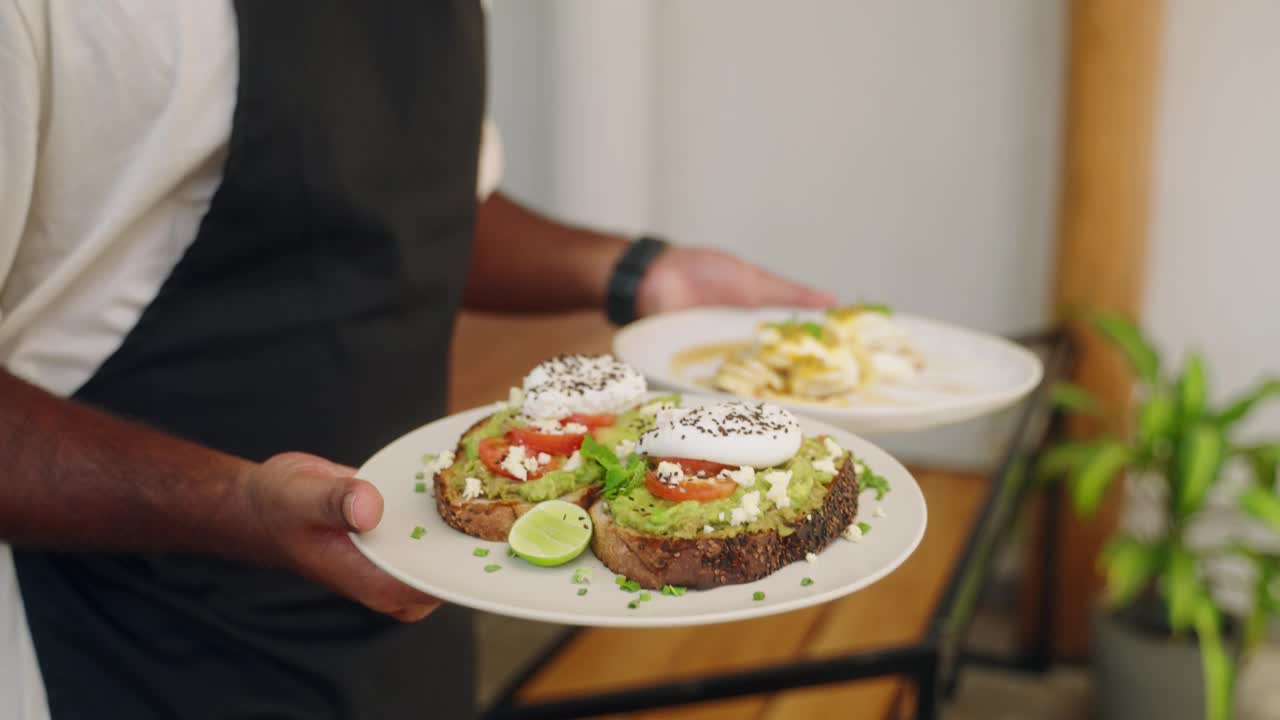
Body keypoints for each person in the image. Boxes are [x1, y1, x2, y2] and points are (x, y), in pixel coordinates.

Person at [0, 2, 833, 718]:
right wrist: (239, 505)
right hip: (117, 633)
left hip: (421, 580)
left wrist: (640, 272)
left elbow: (413, 207)